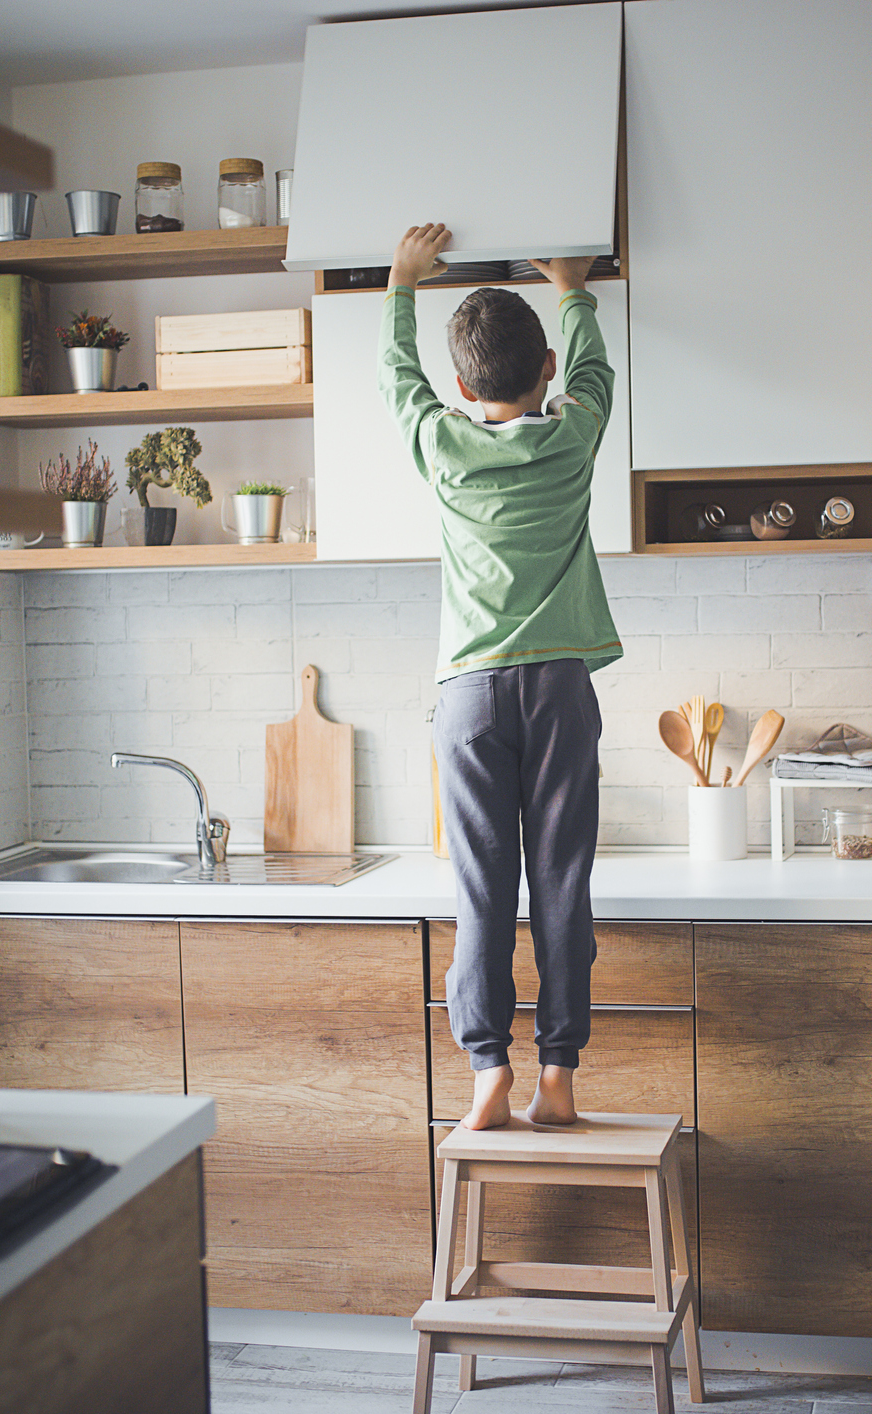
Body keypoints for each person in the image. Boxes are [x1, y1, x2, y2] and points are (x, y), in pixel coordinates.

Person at [379, 223, 619, 1131]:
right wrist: (574, 288)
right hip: (558, 686)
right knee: (562, 880)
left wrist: (401, 284)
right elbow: (596, 380)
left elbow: (395, 384)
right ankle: (558, 1073)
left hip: (470, 695)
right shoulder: (573, 439)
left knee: (484, 888)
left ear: (463, 388)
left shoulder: (442, 443)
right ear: (546, 368)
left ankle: (488, 1069)